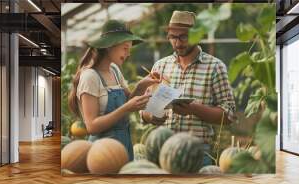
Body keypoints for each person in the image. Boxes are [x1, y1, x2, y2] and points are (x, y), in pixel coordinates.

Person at [141, 11, 236, 165]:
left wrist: (194, 109)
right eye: (173, 37)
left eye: (183, 36)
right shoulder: (160, 66)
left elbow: (229, 115)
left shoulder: (215, 67)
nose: (177, 43)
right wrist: (152, 116)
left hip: (197, 153)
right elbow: (143, 109)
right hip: (164, 151)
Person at [68, 20, 160, 161]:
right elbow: (92, 126)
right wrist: (125, 109)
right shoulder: (90, 77)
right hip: (102, 152)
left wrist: (142, 85)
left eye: (129, 49)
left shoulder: (115, 70)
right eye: (125, 48)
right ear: (109, 46)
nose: (128, 53)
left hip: (124, 146)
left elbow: (128, 102)